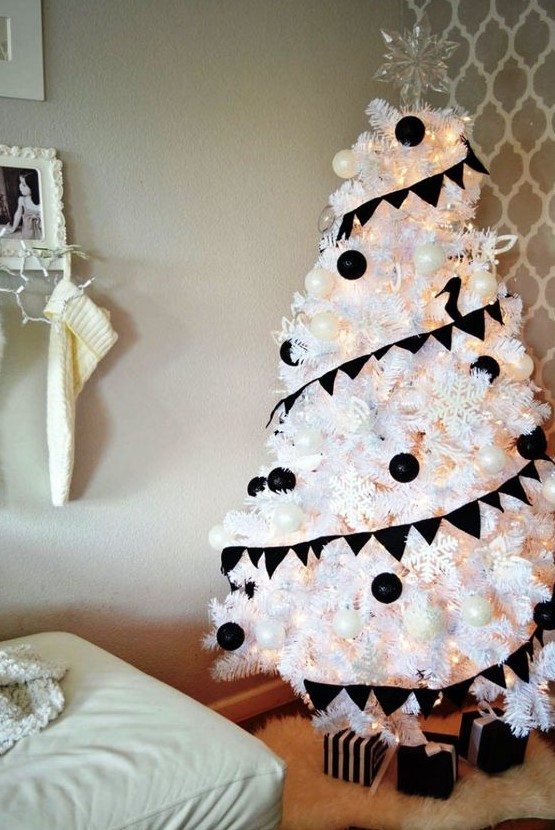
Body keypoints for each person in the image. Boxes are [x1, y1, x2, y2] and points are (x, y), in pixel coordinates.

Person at [3, 173, 42, 239]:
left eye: (24, 185)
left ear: (34, 186)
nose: (20, 186)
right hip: (27, 233)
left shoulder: (43, 202)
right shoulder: (22, 200)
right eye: (20, 182)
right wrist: (13, 228)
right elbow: (18, 214)